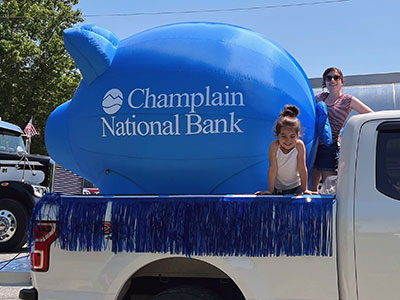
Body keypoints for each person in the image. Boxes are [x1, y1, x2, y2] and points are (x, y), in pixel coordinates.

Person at [311, 67, 373, 191]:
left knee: (329, 186)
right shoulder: (319, 97)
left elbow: (370, 114)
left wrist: (348, 131)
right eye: (329, 78)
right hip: (314, 145)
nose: (332, 80)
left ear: (342, 81)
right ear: (325, 82)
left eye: (336, 77)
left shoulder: (347, 100)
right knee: (312, 187)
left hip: (330, 146)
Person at [256, 105, 312, 195]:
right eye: (283, 136)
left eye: (292, 136)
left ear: (298, 135)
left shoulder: (299, 145)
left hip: (296, 187)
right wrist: (270, 190)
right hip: (278, 188)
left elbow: (302, 167)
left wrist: (305, 189)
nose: (288, 140)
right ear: (277, 135)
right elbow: (272, 168)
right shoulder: (274, 146)